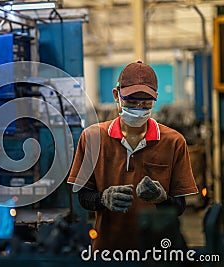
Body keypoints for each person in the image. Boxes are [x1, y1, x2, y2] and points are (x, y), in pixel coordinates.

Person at [67, 61, 198, 251]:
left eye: (145, 102)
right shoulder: (93, 138)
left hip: (158, 253)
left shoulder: (174, 142)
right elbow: (83, 196)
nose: (138, 107)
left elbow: (179, 207)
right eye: (131, 101)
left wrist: (162, 199)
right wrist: (103, 198)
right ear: (116, 96)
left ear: (155, 99)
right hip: (109, 251)